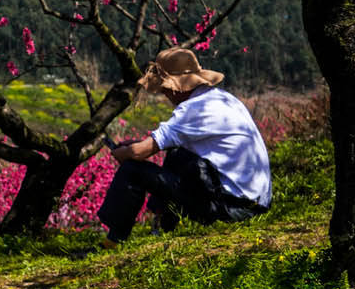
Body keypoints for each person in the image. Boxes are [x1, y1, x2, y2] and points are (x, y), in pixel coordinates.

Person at [96, 47, 271, 246]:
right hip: (255, 203)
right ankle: (164, 226)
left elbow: (139, 152)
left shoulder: (194, 108)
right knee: (178, 155)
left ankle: (114, 240)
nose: (165, 95)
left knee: (132, 169)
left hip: (231, 208)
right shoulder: (222, 99)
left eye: (164, 90)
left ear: (175, 87)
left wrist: (123, 152)